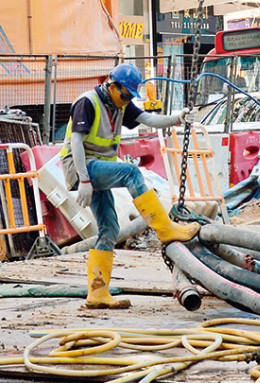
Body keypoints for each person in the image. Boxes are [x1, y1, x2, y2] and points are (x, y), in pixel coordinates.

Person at [60, 62, 201, 310]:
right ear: (112, 86)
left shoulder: (119, 104)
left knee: (109, 230)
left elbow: (148, 119)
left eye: (130, 97)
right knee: (130, 172)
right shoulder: (88, 102)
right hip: (81, 166)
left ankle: (98, 293)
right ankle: (165, 229)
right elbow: (76, 143)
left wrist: (178, 118)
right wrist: (83, 180)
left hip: (98, 169)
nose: (127, 101)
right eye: (124, 95)